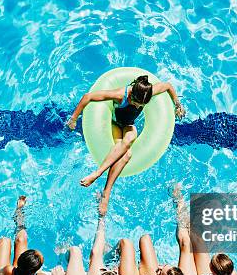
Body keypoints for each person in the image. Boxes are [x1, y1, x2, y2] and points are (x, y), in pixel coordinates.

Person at [66, 75, 185, 216]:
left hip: (129, 125)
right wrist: (73, 119)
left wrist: (178, 105)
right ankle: (105, 190)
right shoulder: (120, 95)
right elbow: (87, 97)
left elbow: (168, 86)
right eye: (136, 103)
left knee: (131, 137)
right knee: (127, 154)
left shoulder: (149, 92)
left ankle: (98, 175)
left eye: (142, 105)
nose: (138, 106)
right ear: (132, 95)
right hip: (115, 124)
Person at [172, 184, 237, 275]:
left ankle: (178, 199)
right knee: (198, 240)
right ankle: (184, 210)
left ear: (211, 269)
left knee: (186, 244)